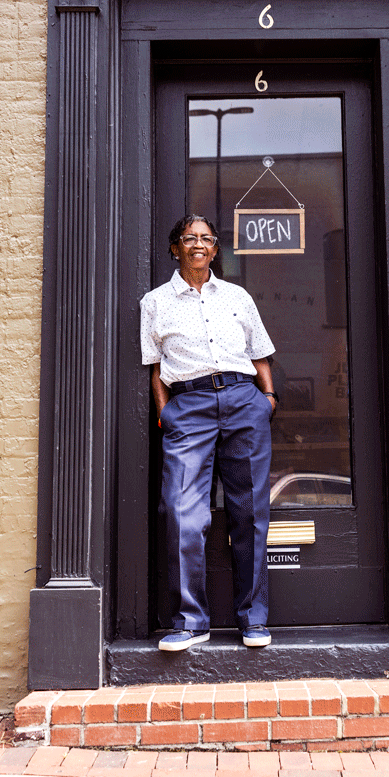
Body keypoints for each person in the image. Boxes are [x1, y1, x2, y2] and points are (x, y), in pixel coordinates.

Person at [140, 214, 278, 651]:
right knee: (182, 511)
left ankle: (253, 619)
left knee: (250, 512)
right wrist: (166, 415)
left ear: (215, 249)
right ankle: (190, 622)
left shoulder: (237, 296)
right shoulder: (155, 302)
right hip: (190, 405)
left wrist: (267, 399)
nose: (198, 244)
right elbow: (156, 369)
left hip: (243, 400)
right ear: (175, 248)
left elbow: (260, 353)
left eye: (206, 239)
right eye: (189, 238)